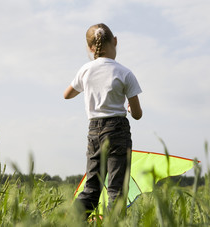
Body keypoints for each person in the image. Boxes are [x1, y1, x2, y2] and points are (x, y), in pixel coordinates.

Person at [64, 23, 142, 216]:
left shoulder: (85, 71)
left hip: (94, 131)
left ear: (90, 48)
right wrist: (131, 108)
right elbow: (138, 114)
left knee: (91, 188)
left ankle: (70, 221)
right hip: (117, 131)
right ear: (115, 41)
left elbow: (67, 94)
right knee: (116, 189)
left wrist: (87, 87)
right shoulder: (125, 73)